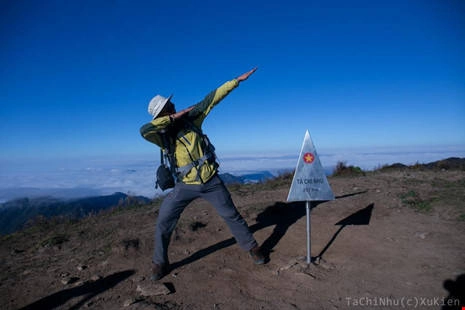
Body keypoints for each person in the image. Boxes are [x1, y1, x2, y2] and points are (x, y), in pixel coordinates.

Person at [140, 68, 265, 280]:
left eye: (170, 104)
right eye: (168, 106)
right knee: (164, 221)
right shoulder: (160, 135)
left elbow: (212, 98)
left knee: (231, 215)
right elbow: (144, 129)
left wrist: (236, 81)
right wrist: (171, 119)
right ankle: (159, 263)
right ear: (163, 113)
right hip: (184, 185)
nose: (173, 105)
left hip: (210, 180)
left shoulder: (192, 119)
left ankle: (252, 248)